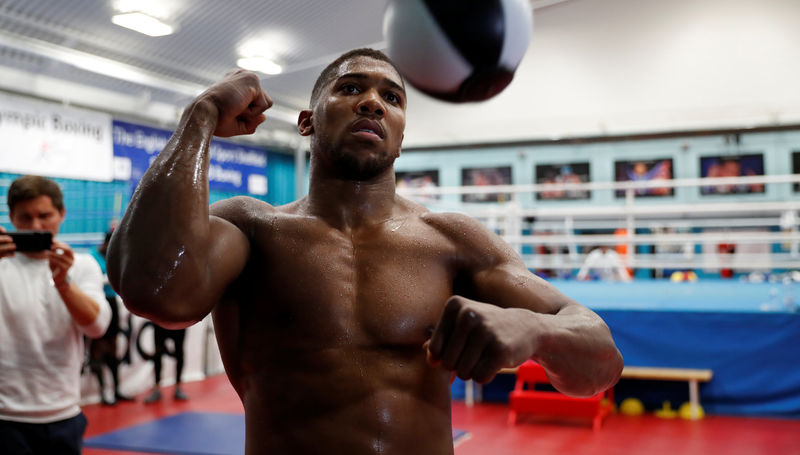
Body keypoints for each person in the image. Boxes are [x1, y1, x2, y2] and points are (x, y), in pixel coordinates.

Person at [107, 49, 623, 455]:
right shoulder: (251, 228)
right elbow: (153, 290)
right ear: (307, 122)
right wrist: (199, 116)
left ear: (400, 136)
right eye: (350, 88)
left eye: (391, 98)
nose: (372, 102)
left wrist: (534, 331)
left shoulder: (453, 239)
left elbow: (600, 365)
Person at [0, 175, 111, 454]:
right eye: (25, 217)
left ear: (61, 214)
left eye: (44, 215)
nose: (35, 226)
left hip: (62, 413)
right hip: (4, 417)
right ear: (11, 217)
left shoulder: (81, 265)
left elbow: (97, 327)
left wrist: (63, 283)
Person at [86, 230, 134, 405]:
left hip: (112, 301)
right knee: (98, 348)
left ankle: (116, 389)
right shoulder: (91, 258)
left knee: (113, 349)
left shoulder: (114, 256)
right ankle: (103, 393)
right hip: (96, 302)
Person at [139, 322, 190, 403]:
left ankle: (178, 387)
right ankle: (157, 388)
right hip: (161, 321)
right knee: (157, 354)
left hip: (179, 321)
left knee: (179, 353)